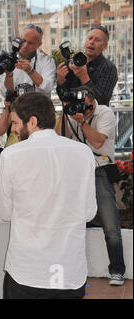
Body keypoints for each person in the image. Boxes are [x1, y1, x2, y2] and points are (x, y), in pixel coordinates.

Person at [0, 92, 97, 299]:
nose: (13, 129)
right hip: (69, 270)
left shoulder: (11, 155)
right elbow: (88, 213)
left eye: (15, 123)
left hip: (27, 270)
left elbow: (4, 212)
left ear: (32, 122)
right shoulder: (83, 153)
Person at [55, 86, 126, 286]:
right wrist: (65, 110)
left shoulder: (105, 113)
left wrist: (82, 122)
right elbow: (60, 137)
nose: (81, 108)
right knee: (73, 223)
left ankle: (117, 270)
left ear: (92, 103)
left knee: (110, 224)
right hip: (77, 173)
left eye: (84, 106)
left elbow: (97, 142)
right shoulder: (73, 113)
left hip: (100, 169)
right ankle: (73, 270)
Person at [0, 24, 56, 148]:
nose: (25, 46)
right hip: (17, 117)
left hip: (41, 118)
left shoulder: (46, 60)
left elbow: (48, 86)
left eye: (30, 43)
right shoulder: (10, 60)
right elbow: (5, 91)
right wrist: (9, 74)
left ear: (39, 45)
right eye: (23, 41)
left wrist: (30, 70)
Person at [57, 25, 118, 106]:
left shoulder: (109, 67)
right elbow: (63, 96)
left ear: (104, 46)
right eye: (90, 38)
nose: (91, 42)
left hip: (97, 117)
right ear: (85, 42)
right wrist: (60, 82)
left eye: (97, 40)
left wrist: (84, 77)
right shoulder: (73, 63)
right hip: (72, 116)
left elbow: (102, 100)